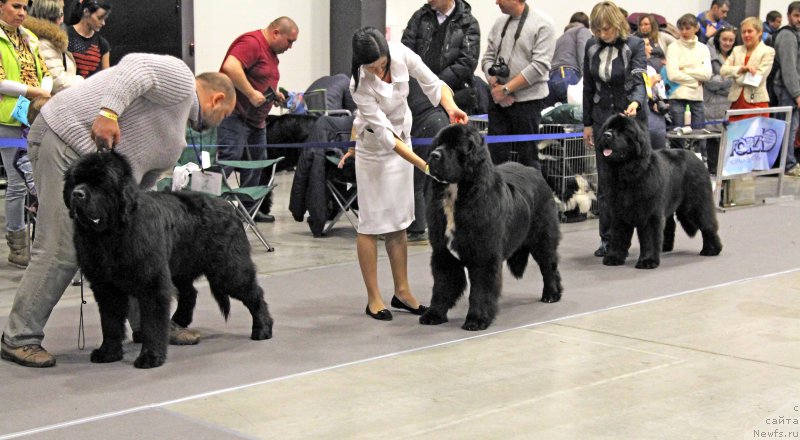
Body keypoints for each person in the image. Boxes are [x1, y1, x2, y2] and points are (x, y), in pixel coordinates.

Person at [0, 53, 235, 368]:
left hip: (93, 164)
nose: (221, 122)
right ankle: (20, 338)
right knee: (62, 248)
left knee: (137, 249)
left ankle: (148, 329)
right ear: (217, 99)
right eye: (225, 115)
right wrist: (108, 113)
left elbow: (140, 192)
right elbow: (134, 67)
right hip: (65, 139)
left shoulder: (176, 132)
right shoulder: (181, 79)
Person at [338, 26, 467, 321]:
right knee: (370, 224)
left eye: (382, 63)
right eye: (372, 66)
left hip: (403, 141)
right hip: (375, 150)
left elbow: (434, 84)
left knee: (399, 222)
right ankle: (374, 299)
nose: (379, 69)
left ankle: (403, 291)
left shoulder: (401, 53)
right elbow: (385, 136)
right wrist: (423, 164)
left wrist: (451, 108)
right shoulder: (357, 85)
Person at [401, 0, 479, 244]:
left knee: (449, 164)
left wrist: (434, 84)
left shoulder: (468, 22)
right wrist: (424, 85)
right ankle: (417, 221)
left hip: (452, 98)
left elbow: (466, 63)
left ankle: (457, 219)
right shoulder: (420, 17)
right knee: (420, 159)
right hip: (417, 100)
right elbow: (405, 51)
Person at [582, 0, 647, 257]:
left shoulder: (635, 45)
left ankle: (646, 234)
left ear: (617, 25)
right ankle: (607, 239)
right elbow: (588, 87)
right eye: (597, 30)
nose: (601, 34)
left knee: (637, 183)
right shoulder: (590, 46)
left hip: (630, 124)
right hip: (602, 122)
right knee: (607, 184)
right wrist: (587, 124)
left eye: (606, 29)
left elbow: (641, 80)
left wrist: (635, 102)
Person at [217, 16, 298, 223]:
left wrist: (274, 94)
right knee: (227, 162)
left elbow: (259, 77)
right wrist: (251, 93)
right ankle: (205, 207)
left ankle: (248, 210)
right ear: (276, 32)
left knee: (256, 164)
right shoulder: (252, 43)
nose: (290, 47)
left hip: (256, 122)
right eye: (290, 41)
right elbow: (230, 66)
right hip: (234, 117)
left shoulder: (270, 52)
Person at [0, 0, 52, 269]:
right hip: (7, 119)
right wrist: (36, 92)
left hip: (35, 116)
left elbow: (45, 72)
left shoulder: (29, 36)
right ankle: (18, 246)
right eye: (16, 6)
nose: (21, 12)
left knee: (39, 179)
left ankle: (43, 241)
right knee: (18, 182)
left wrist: (44, 89)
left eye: (25, 8)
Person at [481, 0, 555, 168]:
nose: (496, 2)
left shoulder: (544, 24)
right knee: (495, 157)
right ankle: (499, 193)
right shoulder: (500, 22)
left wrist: (507, 89)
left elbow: (539, 66)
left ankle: (529, 194)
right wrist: (495, 86)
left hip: (528, 103)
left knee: (528, 157)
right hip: (498, 101)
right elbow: (487, 58)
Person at [666, 13, 711, 154]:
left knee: (698, 136)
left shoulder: (703, 48)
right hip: (677, 95)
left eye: (687, 28)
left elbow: (707, 74)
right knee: (677, 136)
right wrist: (694, 81)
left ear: (696, 28)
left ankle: (699, 163)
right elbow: (672, 75)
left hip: (697, 97)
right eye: (681, 29)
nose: (684, 32)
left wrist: (685, 69)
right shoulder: (673, 47)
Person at [720, 18, 775, 123]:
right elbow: (723, 71)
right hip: (736, 105)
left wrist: (736, 77)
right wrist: (741, 69)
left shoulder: (768, 51)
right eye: (743, 32)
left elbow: (758, 79)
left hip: (757, 105)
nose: (746, 35)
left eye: (749, 31)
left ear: (759, 33)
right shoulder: (736, 50)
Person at [25, 0, 83, 94]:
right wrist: (81, 80)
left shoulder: (49, 41)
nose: (62, 20)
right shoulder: (44, 44)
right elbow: (58, 83)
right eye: (60, 14)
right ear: (50, 16)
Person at [771, 2, 800, 176]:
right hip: (787, 90)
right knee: (788, 128)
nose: (799, 19)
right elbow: (789, 67)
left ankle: (788, 162)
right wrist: (797, 93)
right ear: (789, 15)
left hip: (792, 89)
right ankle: (787, 164)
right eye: (797, 15)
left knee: (791, 128)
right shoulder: (788, 36)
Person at [703, 26, 735, 172]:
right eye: (724, 39)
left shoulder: (737, 56)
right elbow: (709, 81)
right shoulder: (707, 55)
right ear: (718, 40)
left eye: (731, 40)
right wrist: (731, 79)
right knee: (713, 141)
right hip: (712, 106)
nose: (727, 43)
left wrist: (721, 83)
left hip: (730, 105)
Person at [544, 11, 592, 107]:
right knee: (575, 114)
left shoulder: (559, 39)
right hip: (567, 75)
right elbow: (582, 51)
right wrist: (586, 78)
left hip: (550, 79)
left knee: (552, 118)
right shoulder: (583, 30)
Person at [67, 0, 110, 78]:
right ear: (86, 12)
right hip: (68, 88)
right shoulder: (65, 36)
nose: (103, 23)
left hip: (93, 89)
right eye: (99, 18)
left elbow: (106, 80)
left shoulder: (102, 44)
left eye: (104, 19)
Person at [643, 38, 668, 151]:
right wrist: (650, 83)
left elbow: (659, 93)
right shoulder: (629, 69)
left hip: (654, 115)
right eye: (647, 45)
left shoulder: (651, 69)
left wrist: (657, 101)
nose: (651, 48)